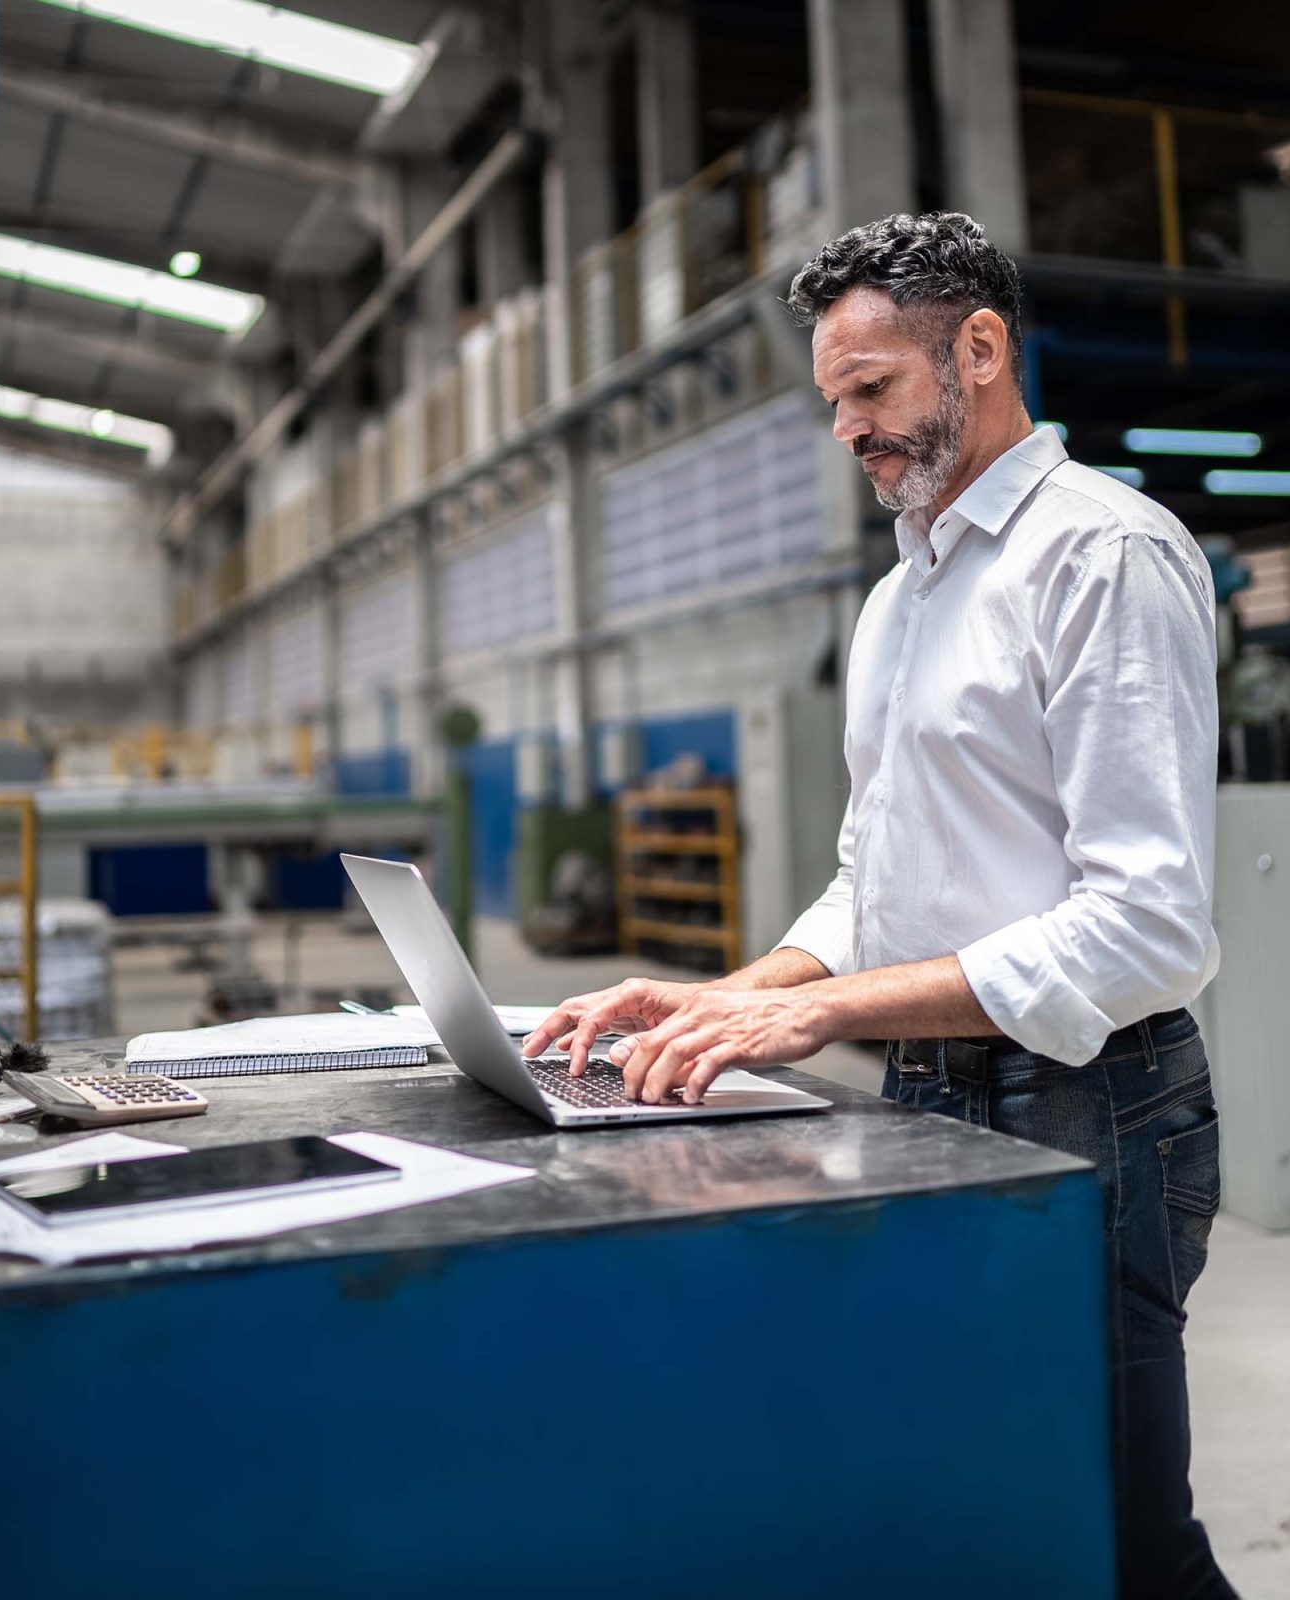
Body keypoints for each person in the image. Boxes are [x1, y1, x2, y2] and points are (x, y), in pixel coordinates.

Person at [522, 211, 1235, 1599]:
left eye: (873, 391)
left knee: (1119, 1534)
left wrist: (824, 1018)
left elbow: (1148, 925)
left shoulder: (1101, 557)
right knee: (982, 1501)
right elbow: (878, 879)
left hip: (1089, 1104)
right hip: (928, 1092)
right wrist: (733, 996)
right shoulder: (901, 600)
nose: (848, 431)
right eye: (832, 402)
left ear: (979, 349)